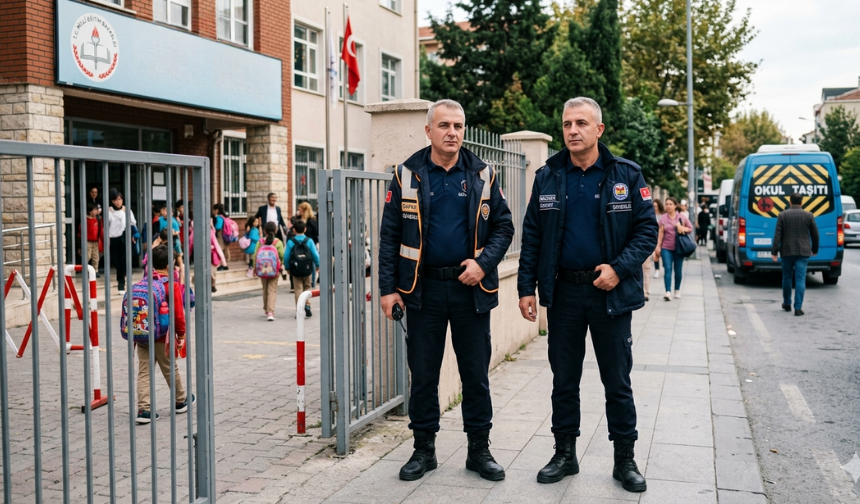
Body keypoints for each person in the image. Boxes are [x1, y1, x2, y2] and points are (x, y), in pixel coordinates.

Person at [517, 97, 657, 492]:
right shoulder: (548, 176)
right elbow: (532, 236)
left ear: (599, 129)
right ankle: (565, 453)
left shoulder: (625, 174)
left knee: (617, 380)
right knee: (564, 379)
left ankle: (625, 460)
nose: (573, 130)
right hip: (563, 294)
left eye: (581, 123)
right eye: (566, 124)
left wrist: (619, 268)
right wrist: (526, 287)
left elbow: (646, 231)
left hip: (609, 295)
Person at [379, 99, 514, 483]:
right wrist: (389, 289)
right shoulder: (408, 174)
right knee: (423, 375)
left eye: (458, 126)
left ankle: (479, 450)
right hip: (421, 293)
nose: (452, 132)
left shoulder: (483, 174)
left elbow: (504, 228)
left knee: (475, 374)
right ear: (428, 131)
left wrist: (483, 264)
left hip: (470, 290)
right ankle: (424, 450)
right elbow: (390, 236)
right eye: (444, 126)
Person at [134, 244, 190, 424]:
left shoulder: (144, 282)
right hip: (163, 337)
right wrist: (181, 335)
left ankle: (144, 410)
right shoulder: (171, 286)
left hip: (142, 335)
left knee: (144, 371)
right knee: (170, 368)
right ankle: (180, 401)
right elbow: (178, 315)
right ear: (169, 265)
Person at [771, 192, 819, 316]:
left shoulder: (783, 215)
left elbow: (777, 235)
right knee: (800, 279)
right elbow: (815, 234)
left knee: (786, 278)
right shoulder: (808, 215)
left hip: (787, 251)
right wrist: (815, 249)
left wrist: (774, 251)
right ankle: (798, 307)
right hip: (803, 251)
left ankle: (787, 303)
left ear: (790, 202)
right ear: (802, 202)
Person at [656, 197, 693, 301]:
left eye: (670, 204)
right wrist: (658, 247)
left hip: (679, 248)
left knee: (678, 270)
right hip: (666, 248)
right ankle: (668, 291)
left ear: (675, 206)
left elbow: (690, 228)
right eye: (667, 204)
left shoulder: (682, 217)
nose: (668, 206)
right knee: (667, 269)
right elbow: (660, 233)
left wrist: (682, 228)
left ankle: (677, 290)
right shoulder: (663, 218)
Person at [284, 219, 320, 318]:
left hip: (295, 269)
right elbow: (315, 255)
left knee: (298, 289)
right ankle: (307, 305)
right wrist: (318, 265)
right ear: (305, 229)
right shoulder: (309, 241)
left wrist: (287, 267)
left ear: (294, 230)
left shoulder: (291, 241)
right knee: (307, 287)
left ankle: (299, 310)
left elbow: (286, 256)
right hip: (308, 269)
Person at [255, 222, 286, 321]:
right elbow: (282, 256)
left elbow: (255, 255)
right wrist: (282, 265)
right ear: (276, 231)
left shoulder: (260, 242)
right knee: (272, 290)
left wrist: (253, 268)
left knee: (265, 289)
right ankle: (270, 312)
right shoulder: (278, 243)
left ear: (264, 231)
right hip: (274, 270)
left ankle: (266, 309)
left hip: (262, 270)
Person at [108, 189, 137, 292]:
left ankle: (122, 284)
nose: (118, 202)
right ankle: (120, 280)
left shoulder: (127, 211)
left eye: (120, 199)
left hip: (125, 237)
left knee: (125, 261)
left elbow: (133, 223)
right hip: (114, 238)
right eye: (115, 200)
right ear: (112, 201)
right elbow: (107, 225)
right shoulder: (109, 211)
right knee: (117, 262)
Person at [297, 202, 319, 287]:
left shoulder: (311, 220)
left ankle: (312, 282)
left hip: (310, 243)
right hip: (299, 243)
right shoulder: (299, 218)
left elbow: (315, 232)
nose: (299, 211)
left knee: (311, 262)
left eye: (300, 210)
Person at [83, 203, 103, 278]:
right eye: (93, 210)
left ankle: (95, 271)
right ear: (89, 211)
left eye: (96, 210)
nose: (95, 212)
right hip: (88, 241)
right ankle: (85, 270)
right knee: (87, 256)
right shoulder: (86, 220)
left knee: (96, 257)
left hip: (96, 241)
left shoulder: (98, 219)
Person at [212, 203, 231, 269]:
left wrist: (212, 227)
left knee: (220, 249)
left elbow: (218, 227)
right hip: (226, 235)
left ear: (216, 210)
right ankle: (224, 263)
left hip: (220, 234)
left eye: (214, 210)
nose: (213, 212)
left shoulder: (218, 218)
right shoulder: (224, 217)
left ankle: (221, 265)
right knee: (225, 248)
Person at [652, 199, 664, 279]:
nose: (654, 208)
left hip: (663, 238)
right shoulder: (651, 214)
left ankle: (666, 267)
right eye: (653, 206)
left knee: (663, 254)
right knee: (655, 255)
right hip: (654, 237)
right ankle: (656, 270)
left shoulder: (663, 216)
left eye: (656, 206)